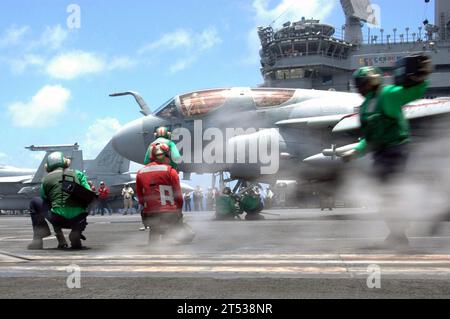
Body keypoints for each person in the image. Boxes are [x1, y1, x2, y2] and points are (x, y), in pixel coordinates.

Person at [342, 55, 432, 248]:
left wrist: (421, 77)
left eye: (362, 83)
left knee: (390, 192)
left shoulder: (387, 94)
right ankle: (397, 232)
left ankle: (403, 226)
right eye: (358, 84)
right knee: (382, 193)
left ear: (372, 81)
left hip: (396, 149)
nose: (360, 87)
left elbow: (414, 92)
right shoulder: (366, 106)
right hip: (381, 153)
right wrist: (355, 152)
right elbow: (370, 137)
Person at [27, 152, 93, 250]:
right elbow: (89, 193)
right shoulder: (78, 174)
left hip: (57, 219)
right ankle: (76, 232)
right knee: (84, 202)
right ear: (65, 163)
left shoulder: (46, 180)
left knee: (36, 202)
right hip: (78, 219)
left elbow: (45, 198)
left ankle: (39, 239)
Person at [136, 142, 195, 244]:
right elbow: (178, 196)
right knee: (186, 235)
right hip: (169, 212)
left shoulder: (140, 173)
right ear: (165, 156)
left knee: (154, 233)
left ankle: (153, 249)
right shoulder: (170, 171)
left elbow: (140, 198)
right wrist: (179, 211)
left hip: (150, 214)